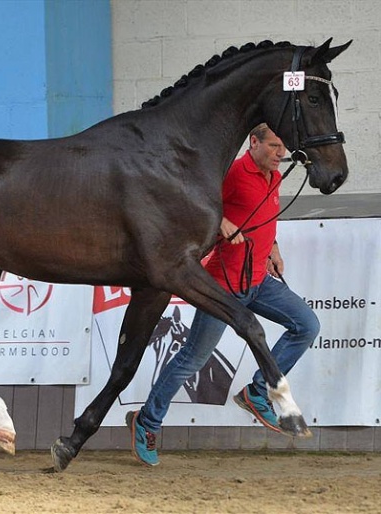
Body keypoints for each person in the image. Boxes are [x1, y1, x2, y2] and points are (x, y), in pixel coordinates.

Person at [126, 123, 320, 467]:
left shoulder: (274, 175)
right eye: (274, 146)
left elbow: (262, 215)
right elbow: (188, 202)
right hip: (223, 285)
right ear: (254, 142)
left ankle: (257, 391)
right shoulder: (231, 172)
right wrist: (219, 222)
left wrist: (273, 246)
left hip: (258, 279)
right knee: (193, 358)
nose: (281, 154)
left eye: (283, 147)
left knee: (306, 325)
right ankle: (147, 421)